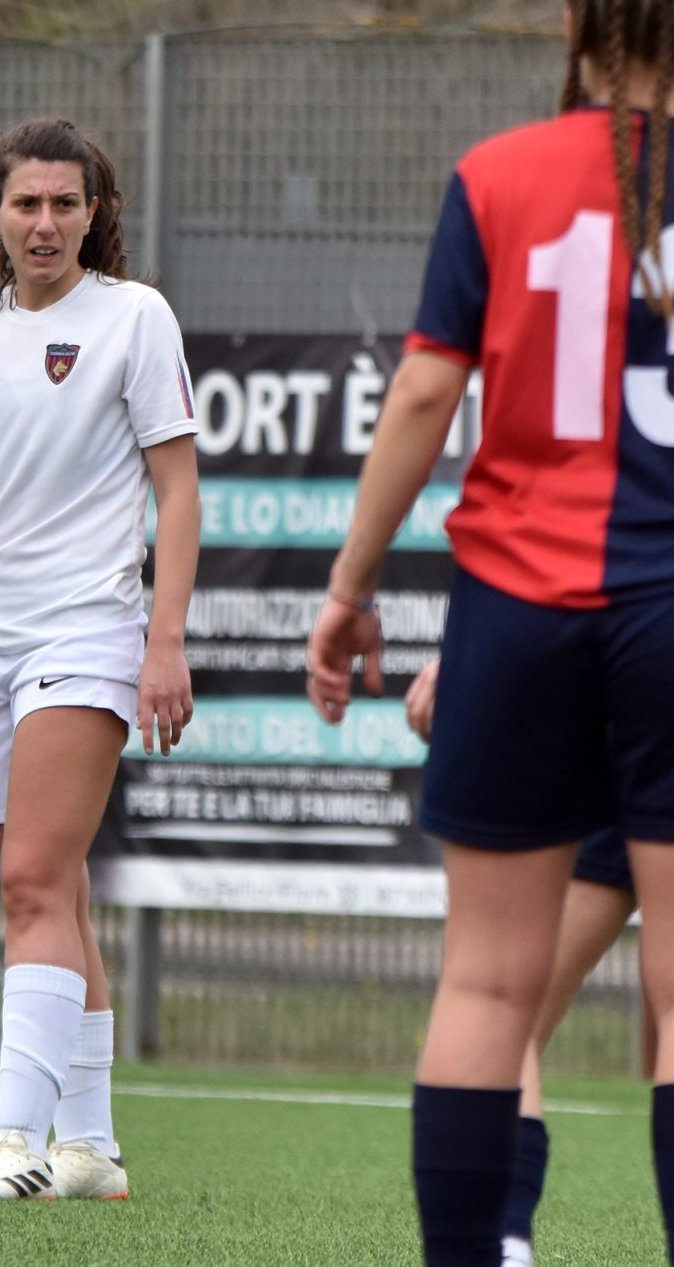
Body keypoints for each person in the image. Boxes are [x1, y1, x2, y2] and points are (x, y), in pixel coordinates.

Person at [307, 2, 674, 1259]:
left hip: (518, 611)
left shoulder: (498, 173)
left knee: (484, 982)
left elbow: (423, 390)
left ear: (576, 21)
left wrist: (350, 588)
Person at [0, 116, 200, 1201]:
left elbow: (178, 491)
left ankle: (16, 1145)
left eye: (66, 202)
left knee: (30, 881)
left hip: (85, 629)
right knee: (53, 890)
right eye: (27, 203)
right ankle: (91, 1147)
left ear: (94, 213)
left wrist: (162, 643)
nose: (46, 222)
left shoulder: (135, 316)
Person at [404, 662, 645, 1267]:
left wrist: (475, 658)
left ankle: (507, 1247)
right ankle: (506, 1244)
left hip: (595, 697)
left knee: (503, 1017)